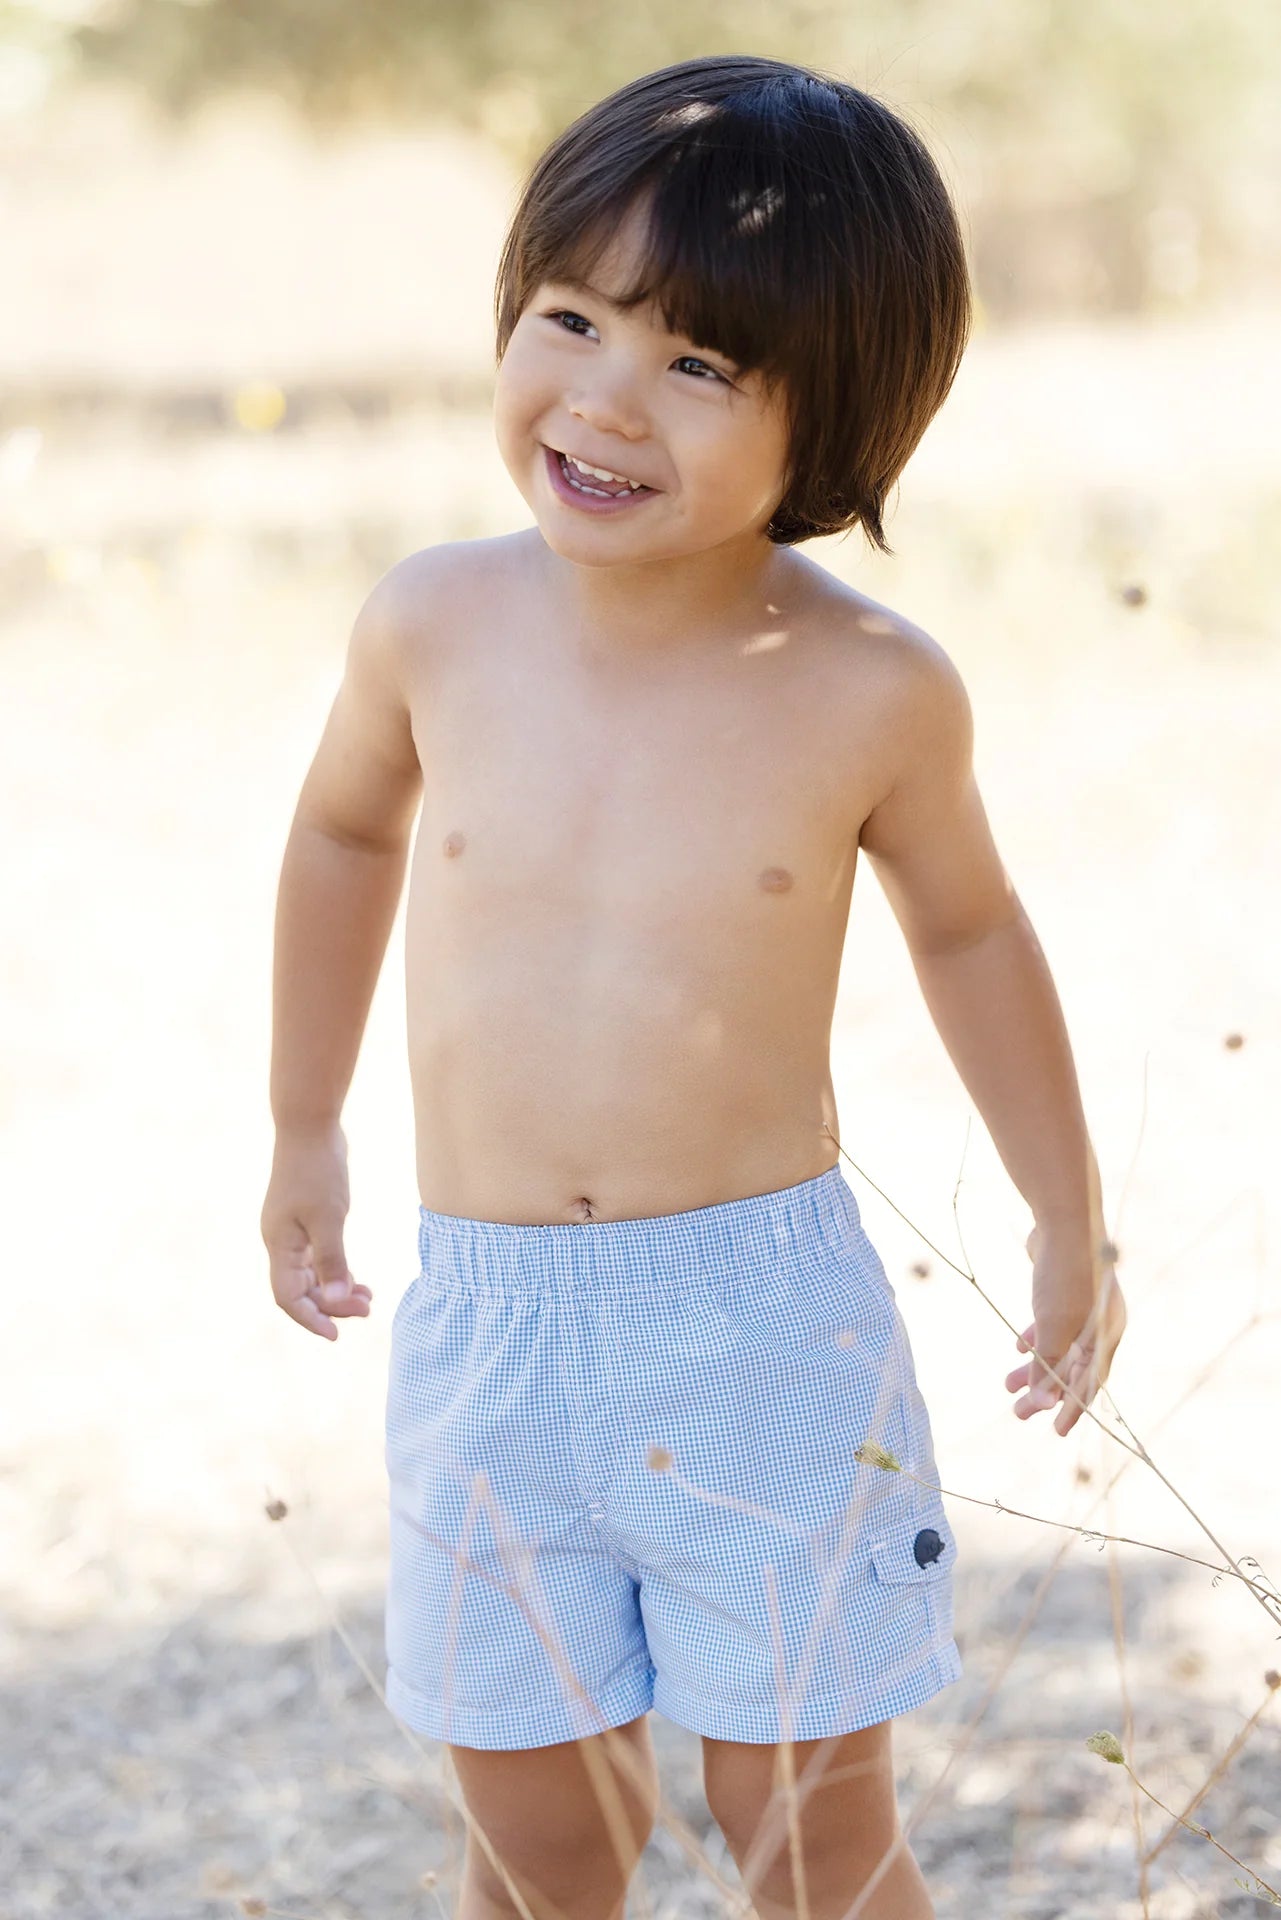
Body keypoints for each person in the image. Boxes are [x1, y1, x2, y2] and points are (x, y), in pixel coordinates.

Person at [261, 51, 1126, 1920]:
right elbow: (340, 839)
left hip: (756, 1338)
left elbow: (970, 930)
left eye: (697, 365)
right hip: (490, 1330)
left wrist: (1068, 1214)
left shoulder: (867, 688)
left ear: (832, 427)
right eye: (569, 319)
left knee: (803, 1832)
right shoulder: (434, 622)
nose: (603, 399)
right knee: (534, 1841)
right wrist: (303, 1122)